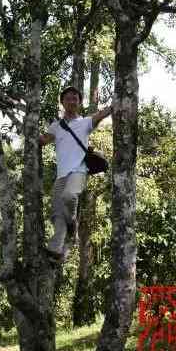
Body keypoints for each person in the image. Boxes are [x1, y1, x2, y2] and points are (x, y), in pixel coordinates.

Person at [39, 85, 112, 260]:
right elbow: (43, 140)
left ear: (79, 102)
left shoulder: (85, 122)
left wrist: (114, 105)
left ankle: (73, 223)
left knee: (69, 196)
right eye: (68, 98)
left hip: (79, 170)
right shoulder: (56, 126)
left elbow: (102, 113)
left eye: (75, 98)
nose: (72, 101)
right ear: (62, 102)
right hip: (61, 174)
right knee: (57, 213)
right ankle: (55, 250)